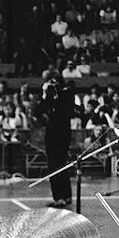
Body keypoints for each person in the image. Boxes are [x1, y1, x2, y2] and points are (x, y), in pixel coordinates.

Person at [37, 69, 75, 208]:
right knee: (52, 164)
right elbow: (40, 110)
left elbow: (68, 110)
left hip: (63, 131)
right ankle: (58, 196)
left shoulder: (67, 92)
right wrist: (45, 93)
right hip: (51, 132)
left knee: (61, 163)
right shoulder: (49, 95)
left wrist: (58, 94)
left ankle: (65, 195)